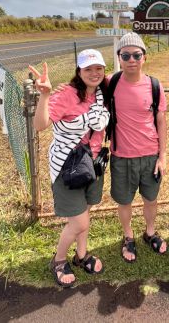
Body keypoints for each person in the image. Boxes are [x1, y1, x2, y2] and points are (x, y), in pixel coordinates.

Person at [29, 49, 110, 288]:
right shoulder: (67, 94)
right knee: (79, 222)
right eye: (88, 69)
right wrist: (44, 95)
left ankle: (81, 255)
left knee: (85, 212)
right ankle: (59, 260)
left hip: (93, 164)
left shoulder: (101, 94)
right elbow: (40, 125)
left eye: (99, 68)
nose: (94, 73)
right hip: (67, 165)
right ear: (79, 71)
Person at [108, 32, 167, 262]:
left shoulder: (154, 85)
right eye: (126, 55)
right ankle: (128, 236)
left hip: (150, 156)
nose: (131, 59)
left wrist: (163, 156)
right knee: (124, 201)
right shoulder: (110, 82)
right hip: (121, 156)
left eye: (136, 54)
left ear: (144, 57)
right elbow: (85, 89)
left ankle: (150, 232)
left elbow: (161, 121)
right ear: (119, 58)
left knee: (151, 199)